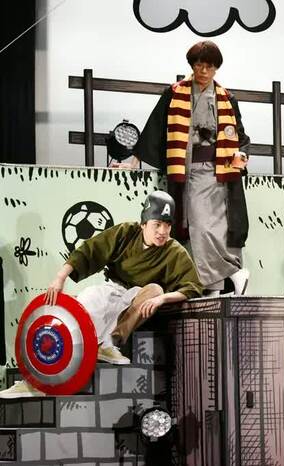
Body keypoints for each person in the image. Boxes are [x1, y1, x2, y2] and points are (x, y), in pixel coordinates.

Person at [0, 191, 202, 398]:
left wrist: (162, 298)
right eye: (157, 224)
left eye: (167, 225)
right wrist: (60, 277)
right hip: (112, 290)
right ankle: (31, 381)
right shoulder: (126, 232)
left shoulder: (175, 251)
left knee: (155, 290)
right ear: (143, 224)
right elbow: (91, 250)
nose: (162, 231)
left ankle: (109, 344)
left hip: (137, 299)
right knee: (76, 318)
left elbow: (192, 286)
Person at [114, 40, 251, 296]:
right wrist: (134, 161)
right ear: (192, 66)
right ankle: (229, 275)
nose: (203, 71)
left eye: (209, 66)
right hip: (190, 170)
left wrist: (242, 154)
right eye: (199, 65)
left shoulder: (226, 98)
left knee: (216, 230)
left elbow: (240, 136)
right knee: (197, 228)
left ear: (216, 68)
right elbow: (155, 128)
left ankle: (216, 286)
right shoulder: (175, 93)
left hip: (220, 172)